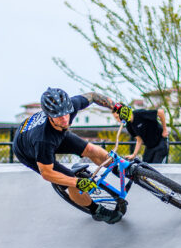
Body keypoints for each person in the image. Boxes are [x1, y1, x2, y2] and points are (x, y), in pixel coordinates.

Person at [13, 87, 127, 224]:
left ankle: (117, 168)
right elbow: (46, 173)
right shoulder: (43, 140)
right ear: (49, 116)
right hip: (28, 151)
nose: (64, 118)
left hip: (57, 134)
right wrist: (77, 182)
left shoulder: (70, 107)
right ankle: (95, 210)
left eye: (66, 114)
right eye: (58, 116)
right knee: (71, 181)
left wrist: (117, 107)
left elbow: (93, 96)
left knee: (91, 149)